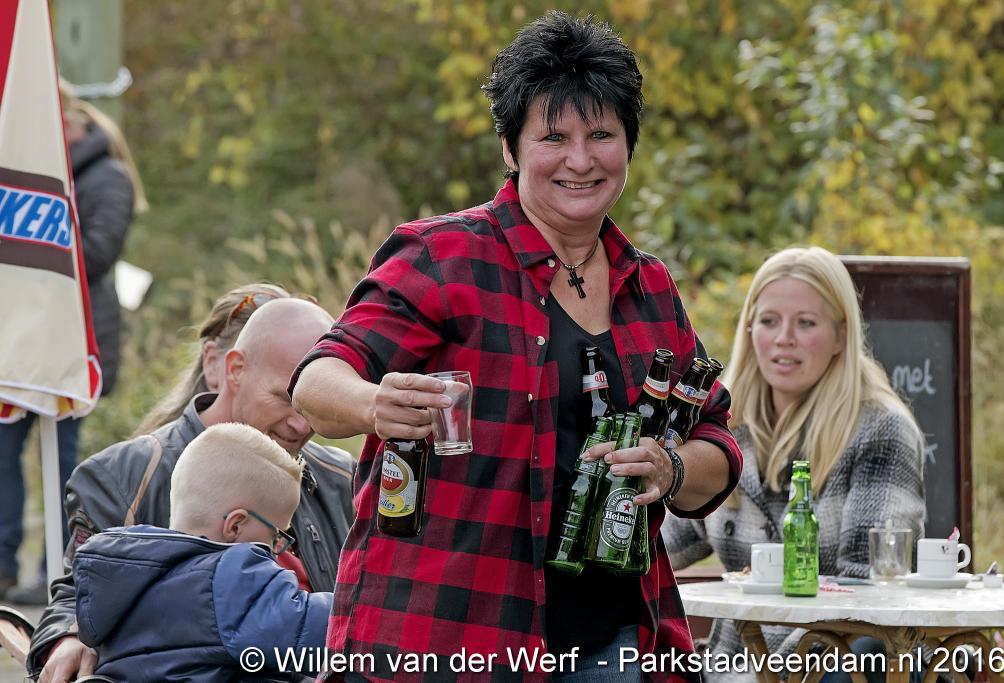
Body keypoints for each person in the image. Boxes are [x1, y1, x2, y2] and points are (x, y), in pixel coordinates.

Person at [290, 12, 742, 681]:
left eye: (602, 135)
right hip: (445, 640)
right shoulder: (442, 255)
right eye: (554, 137)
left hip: (613, 644)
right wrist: (372, 404)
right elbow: (316, 381)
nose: (580, 160)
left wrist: (670, 468)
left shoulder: (649, 287)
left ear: (629, 145)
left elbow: (716, 440)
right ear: (510, 148)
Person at [28, 297, 356, 683]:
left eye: (313, 403)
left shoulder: (344, 477)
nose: (301, 425)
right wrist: (67, 638)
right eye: (285, 399)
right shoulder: (121, 477)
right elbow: (79, 592)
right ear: (235, 369)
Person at [663, 247, 926, 682]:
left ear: (841, 335)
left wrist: (776, 673)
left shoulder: (880, 429)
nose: (784, 338)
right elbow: (660, 544)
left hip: (834, 663)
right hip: (732, 668)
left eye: (806, 323)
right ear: (750, 329)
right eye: (769, 321)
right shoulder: (725, 430)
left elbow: (871, 591)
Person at [0, 82, 147, 604]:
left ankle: (55, 570)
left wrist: (33, 250)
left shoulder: (107, 176)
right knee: (4, 452)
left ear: (66, 122)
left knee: (61, 458)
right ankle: (4, 565)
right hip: (19, 338)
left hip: (72, 339)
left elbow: (99, 252)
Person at [73, 423, 331, 682]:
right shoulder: (232, 578)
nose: (277, 550)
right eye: (276, 536)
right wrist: (353, 599)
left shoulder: (124, 582)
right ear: (235, 525)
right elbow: (315, 629)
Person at [133, 282, 292, 435]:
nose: (300, 426)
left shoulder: (302, 451)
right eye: (240, 368)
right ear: (212, 362)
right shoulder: (152, 451)